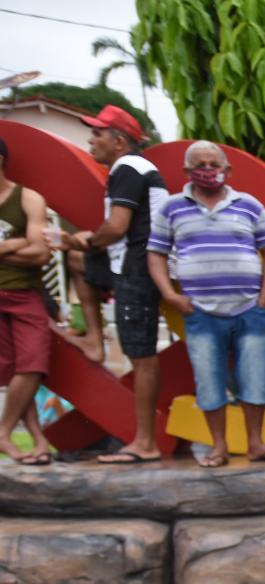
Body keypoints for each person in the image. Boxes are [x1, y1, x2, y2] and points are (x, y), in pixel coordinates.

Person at [147, 140, 265, 466]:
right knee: (209, 381)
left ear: (227, 170)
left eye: (213, 164)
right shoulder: (172, 208)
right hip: (201, 312)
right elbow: (156, 253)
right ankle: (218, 447)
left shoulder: (249, 205)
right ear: (187, 171)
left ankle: (255, 444)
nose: (207, 171)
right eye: (200, 165)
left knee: (255, 379)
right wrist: (169, 293)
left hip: (249, 309)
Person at [56, 106, 169, 464]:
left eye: (97, 134)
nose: (91, 140)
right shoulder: (132, 168)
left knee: (143, 357)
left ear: (119, 141)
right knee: (76, 261)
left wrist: (86, 240)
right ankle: (93, 337)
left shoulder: (128, 168)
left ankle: (145, 443)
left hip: (138, 269)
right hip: (128, 263)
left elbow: (117, 227)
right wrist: (82, 247)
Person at [0, 135, 55, 465]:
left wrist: (4, 248)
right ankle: (39, 440)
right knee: (14, 371)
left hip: (24, 293)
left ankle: (4, 431)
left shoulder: (27, 198)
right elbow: (29, 246)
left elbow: (41, 252)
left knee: (33, 365)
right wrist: (17, 244)